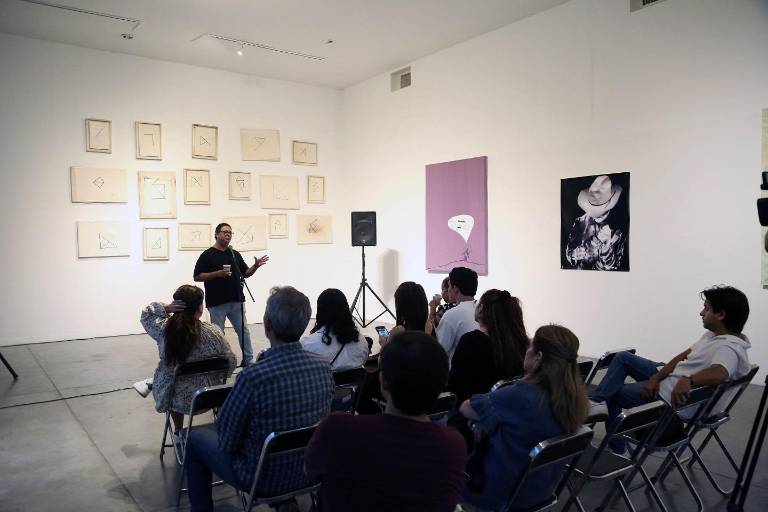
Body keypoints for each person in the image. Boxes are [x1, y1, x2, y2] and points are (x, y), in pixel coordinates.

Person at [184, 286, 334, 512]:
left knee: (195, 438)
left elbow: (227, 440)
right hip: (309, 471)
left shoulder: (253, 377)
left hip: (261, 479)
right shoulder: (323, 367)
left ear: (267, 325)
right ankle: (285, 501)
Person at [305, 331, 467, 512]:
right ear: (440, 386)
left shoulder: (337, 429)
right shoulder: (453, 447)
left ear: (382, 381)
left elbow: (311, 474)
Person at [591, 285, 751, 453]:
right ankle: (596, 403)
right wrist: (656, 377)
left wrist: (688, 379)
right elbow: (683, 356)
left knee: (613, 393)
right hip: (671, 377)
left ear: (721, 315)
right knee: (623, 358)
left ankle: (616, 449)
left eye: (706, 308)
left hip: (668, 397)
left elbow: (720, 373)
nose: (701, 313)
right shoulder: (713, 335)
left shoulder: (728, 348)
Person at [459, 325, 588, 510]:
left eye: (530, 346)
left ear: (539, 357)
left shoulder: (523, 395)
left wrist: (482, 422)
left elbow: (466, 408)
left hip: (496, 490)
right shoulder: (573, 400)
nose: (526, 350)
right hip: (539, 489)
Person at [139, 285, 236, 443]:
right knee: (176, 373)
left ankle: (178, 432)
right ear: (200, 308)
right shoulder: (214, 332)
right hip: (208, 396)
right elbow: (230, 361)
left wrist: (166, 308)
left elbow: (146, 315)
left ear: (177, 306)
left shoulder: (165, 330)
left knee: (170, 375)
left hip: (177, 400)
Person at [193, 222, 269, 366]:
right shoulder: (207, 255)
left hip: (236, 300)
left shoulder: (234, 254)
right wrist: (217, 274)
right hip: (217, 302)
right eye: (225, 232)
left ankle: (248, 360)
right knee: (218, 335)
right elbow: (197, 276)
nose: (228, 234)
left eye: (230, 232)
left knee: (244, 332)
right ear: (217, 234)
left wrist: (256, 266)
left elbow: (246, 273)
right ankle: (220, 362)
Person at [448, 289, 528, 405]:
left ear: (481, 309)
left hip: (473, 409)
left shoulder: (470, 341)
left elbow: (455, 386)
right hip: (508, 407)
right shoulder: (519, 343)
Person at [564, 174, 628, 271]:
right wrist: (575, 254)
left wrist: (606, 247)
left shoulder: (619, 230)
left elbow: (614, 267)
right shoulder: (580, 222)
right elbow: (569, 255)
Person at [301, 288, 369, 371]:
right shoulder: (361, 341)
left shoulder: (307, 344)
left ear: (320, 311)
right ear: (346, 310)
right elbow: (363, 362)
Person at [436, 267, 479, 362]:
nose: (448, 290)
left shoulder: (452, 314)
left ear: (455, 289)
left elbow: (439, 351)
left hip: (458, 370)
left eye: (449, 286)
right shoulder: (483, 310)